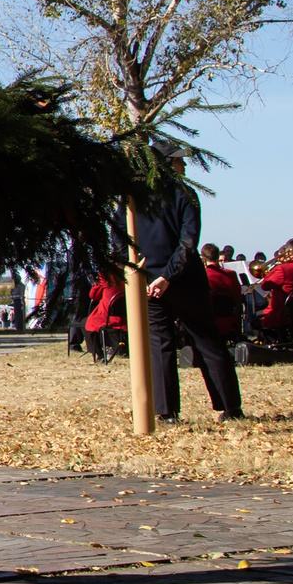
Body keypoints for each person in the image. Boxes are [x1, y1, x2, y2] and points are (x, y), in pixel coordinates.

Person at [115, 159, 243, 419]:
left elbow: (118, 240)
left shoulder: (129, 197)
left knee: (160, 345)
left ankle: (166, 412)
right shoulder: (185, 194)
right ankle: (229, 407)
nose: (184, 165)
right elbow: (188, 243)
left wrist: (142, 275)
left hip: (148, 281)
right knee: (206, 341)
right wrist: (167, 276)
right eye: (178, 160)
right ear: (166, 164)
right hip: (185, 280)